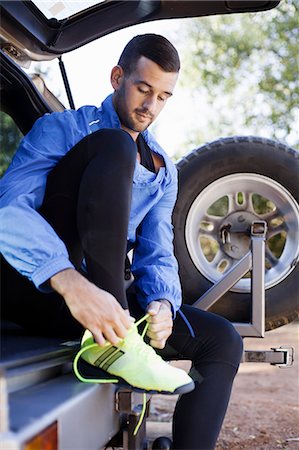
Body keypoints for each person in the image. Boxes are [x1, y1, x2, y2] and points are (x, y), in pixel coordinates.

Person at [0, 34, 243, 449]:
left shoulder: (164, 170)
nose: (151, 107)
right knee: (115, 147)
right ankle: (118, 345)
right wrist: (68, 279)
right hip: (39, 287)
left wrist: (164, 304)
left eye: (163, 97)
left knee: (222, 340)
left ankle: (119, 342)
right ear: (118, 78)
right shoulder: (61, 129)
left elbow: (157, 252)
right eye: (143, 89)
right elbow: (7, 212)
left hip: (103, 300)